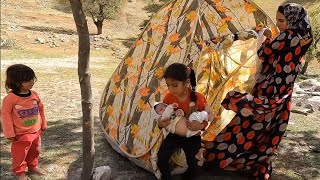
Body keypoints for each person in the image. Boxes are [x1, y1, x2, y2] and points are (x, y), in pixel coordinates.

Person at [202, 3, 313, 180]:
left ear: (292, 19)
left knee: (246, 124)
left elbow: (264, 52)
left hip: (269, 89)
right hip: (284, 92)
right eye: (277, 20)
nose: (278, 24)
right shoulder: (305, 37)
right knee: (266, 130)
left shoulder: (288, 36)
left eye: (282, 20)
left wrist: (268, 37)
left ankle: (222, 157)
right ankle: (249, 161)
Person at [157, 63, 211, 180]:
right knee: (161, 158)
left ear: (186, 83)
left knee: (194, 164)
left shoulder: (199, 98)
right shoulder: (168, 98)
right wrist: (161, 124)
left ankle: (188, 176)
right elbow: (163, 117)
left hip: (192, 136)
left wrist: (201, 125)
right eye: (168, 85)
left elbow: (207, 118)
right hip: (174, 135)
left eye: (174, 85)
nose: (170, 89)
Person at [1, 64, 47, 180]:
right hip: (20, 134)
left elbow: (40, 109)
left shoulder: (34, 95)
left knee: (35, 151)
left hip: (35, 131)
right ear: (16, 82)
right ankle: (19, 172)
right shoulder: (10, 99)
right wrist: (9, 133)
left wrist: (43, 123)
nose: (31, 82)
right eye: (27, 80)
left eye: (32, 78)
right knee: (20, 154)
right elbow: (5, 115)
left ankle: (33, 166)